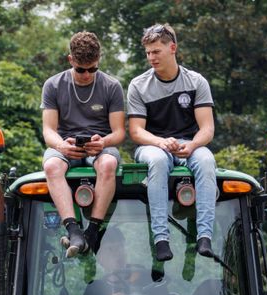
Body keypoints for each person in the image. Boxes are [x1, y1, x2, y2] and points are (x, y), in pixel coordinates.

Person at [127, 24, 216, 262]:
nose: (151, 57)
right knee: (157, 161)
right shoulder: (138, 85)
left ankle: (204, 236)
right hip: (153, 145)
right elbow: (136, 131)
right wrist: (160, 142)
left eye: (156, 51)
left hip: (189, 144)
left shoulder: (196, 81)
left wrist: (194, 146)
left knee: (207, 160)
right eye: (147, 52)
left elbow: (207, 129)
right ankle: (161, 239)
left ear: (172, 48)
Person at [41, 32, 126, 257]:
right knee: (51, 167)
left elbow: (119, 133)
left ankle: (92, 232)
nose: (87, 75)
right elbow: (48, 130)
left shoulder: (112, 86)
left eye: (93, 69)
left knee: (108, 163)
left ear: (99, 61)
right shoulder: (53, 85)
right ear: (71, 61)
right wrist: (61, 146)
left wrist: (103, 141)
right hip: (65, 144)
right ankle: (72, 228)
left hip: (100, 146)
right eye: (81, 69)